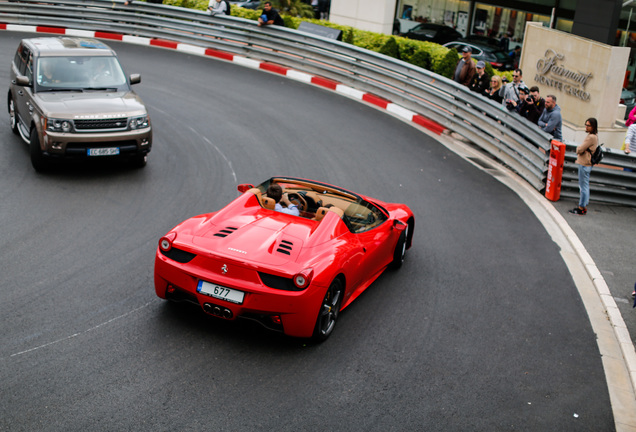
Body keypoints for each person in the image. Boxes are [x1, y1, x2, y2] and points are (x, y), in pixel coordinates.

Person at [569, 118, 598, 216]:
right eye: (585, 124)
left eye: (588, 125)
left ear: (593, 126)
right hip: (586, 164)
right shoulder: (593, 136)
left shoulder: (591, 137)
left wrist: (579, 149)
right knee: (585, 186)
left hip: (585, 163)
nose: (586, 127)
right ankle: (583, 206)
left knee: (583, 187)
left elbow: (580, 149)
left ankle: (581, 207)